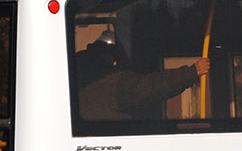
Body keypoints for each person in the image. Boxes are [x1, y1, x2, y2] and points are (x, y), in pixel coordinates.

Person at [77, 32, 210, 121]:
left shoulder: (75, 71)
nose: (114, 63)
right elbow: (152, 86)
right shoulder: (113, 83)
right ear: (107, 55)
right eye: (113, 58)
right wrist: (191, 72)